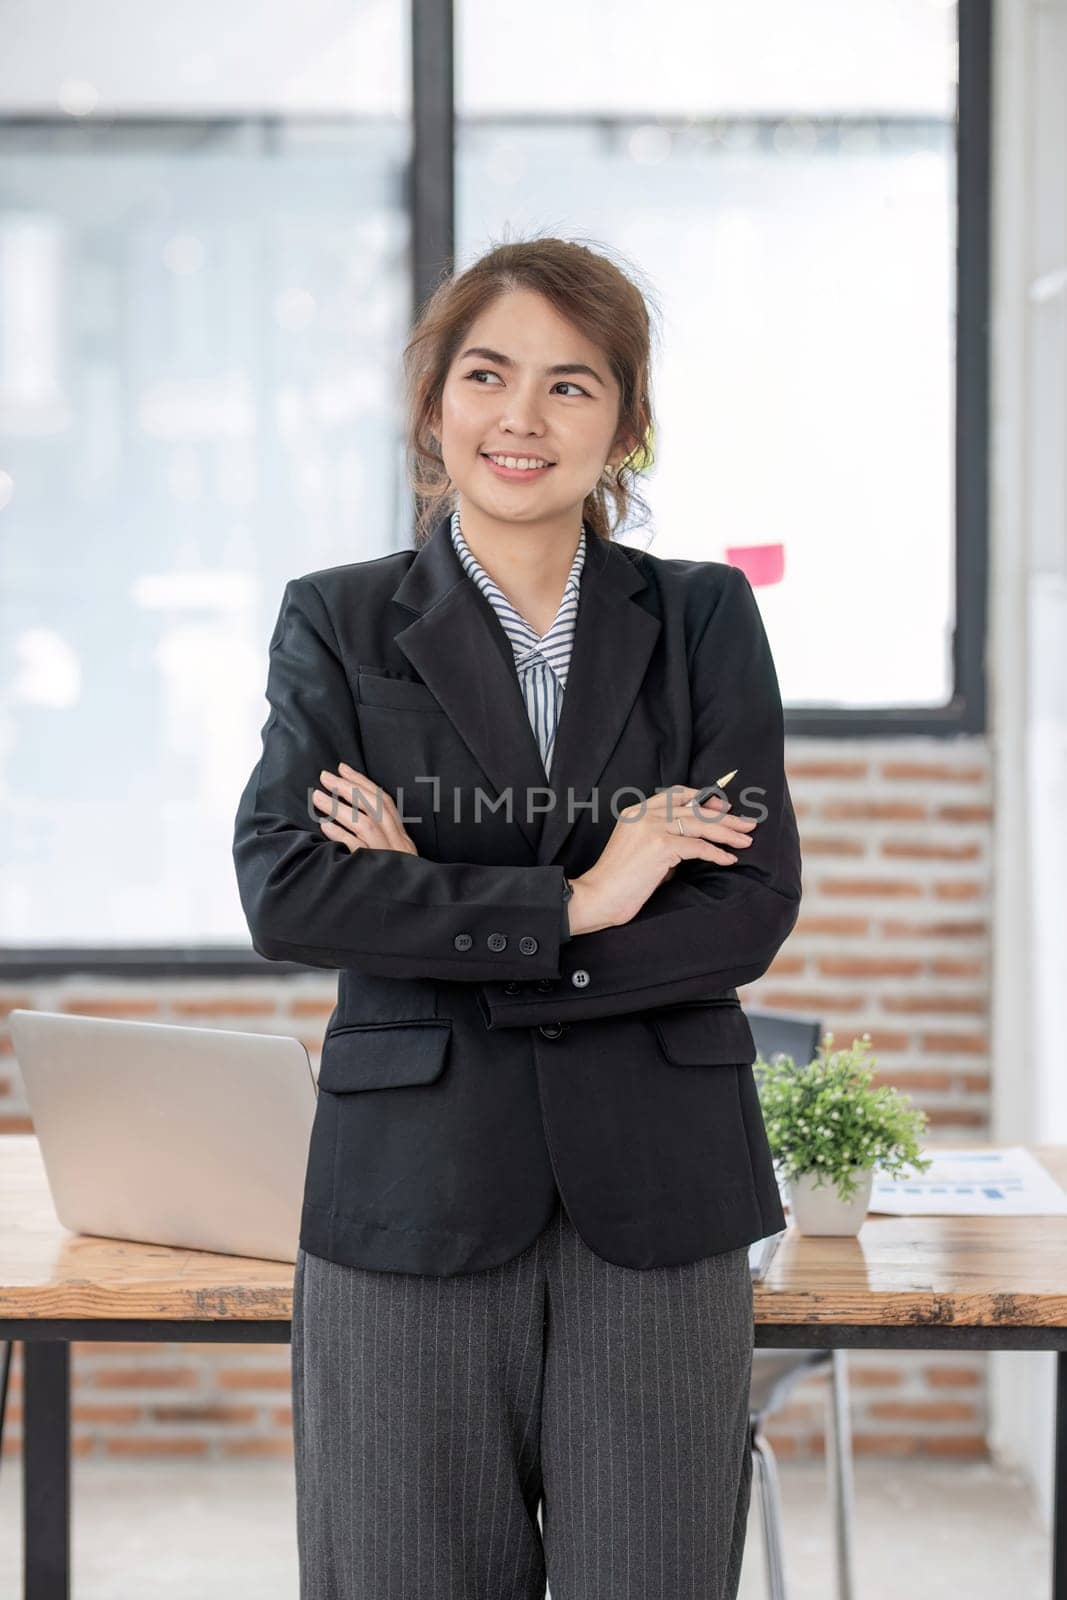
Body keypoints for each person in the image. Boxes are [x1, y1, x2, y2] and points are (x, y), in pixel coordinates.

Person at [233, 234, 803, 1600]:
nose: (522, 419)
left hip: (660, 1192)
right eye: (489, 375)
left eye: (572, 385)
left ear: (625, 426)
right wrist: (585, 897)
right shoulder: (341, 621)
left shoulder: (703, 616)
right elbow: (290, 887)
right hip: (409, 1189)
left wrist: (437, 907)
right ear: (434, 402)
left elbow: (746, 907)